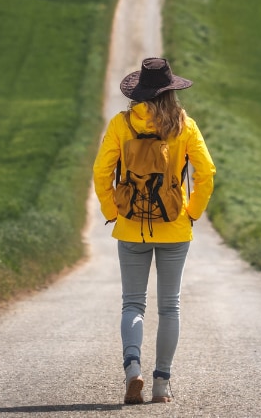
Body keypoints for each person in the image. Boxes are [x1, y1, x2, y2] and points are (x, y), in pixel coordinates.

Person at [93, 57, 215, 405]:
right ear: (171, 91)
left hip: (131, 226)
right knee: (170, 307)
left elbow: (102, 172)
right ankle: (161, 383)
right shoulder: (184, 125)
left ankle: (133, 369)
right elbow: (206, 173)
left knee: (133, 303)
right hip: (174, 227)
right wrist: (192, 212)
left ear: (139, 93)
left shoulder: (122, 124)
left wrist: (112, 211)